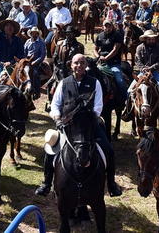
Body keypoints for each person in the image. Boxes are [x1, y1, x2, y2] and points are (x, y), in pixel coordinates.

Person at [35, 54, 122, 197]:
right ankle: (46, 182)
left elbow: (98, 106)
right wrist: (57, 118)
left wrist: (89, 119)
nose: (79, 66)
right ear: (71, 65)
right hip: (67, 125)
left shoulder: (95, 83)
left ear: (86, 65)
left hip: (89, 125)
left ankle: (111, 184)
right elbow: (55, 105)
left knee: (109, 150)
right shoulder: (63, 83)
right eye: (76, 63)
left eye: (82, 63)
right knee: (50, 148)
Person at [95, 20, 128, 108]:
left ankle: (125, 99)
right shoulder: (100, 36)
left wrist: (106, 58)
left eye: (109, 26)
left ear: (112, 26)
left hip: (113, 63)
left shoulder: (117, 35)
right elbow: (95, 49)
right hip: (101, 63)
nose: (107, 28)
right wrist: (98, 56)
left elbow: (115, 50)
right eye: (105, 26)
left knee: (120, 80)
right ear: (103, 27)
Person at [133, 30, 159, 94]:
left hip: (155, 72)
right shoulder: (139, 48)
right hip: (143, 73)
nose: (151, 41)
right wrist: (143, 68)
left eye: (153, 39)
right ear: (145, 39)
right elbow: (138, 61)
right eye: (149, 39)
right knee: (129, 91)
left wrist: (151, 68)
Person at [24, 26, 47, 95]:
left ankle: (37, 92)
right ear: (30, 34)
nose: (34, 35)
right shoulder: (27, 41)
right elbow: (24, 51)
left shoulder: (41, 42)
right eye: (32, 33)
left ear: (37, 34)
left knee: (35, 73)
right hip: (27, 60)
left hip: (36, 61)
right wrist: (25, 60)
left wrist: (35, 62)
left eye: (35, 33)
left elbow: (42, 55)